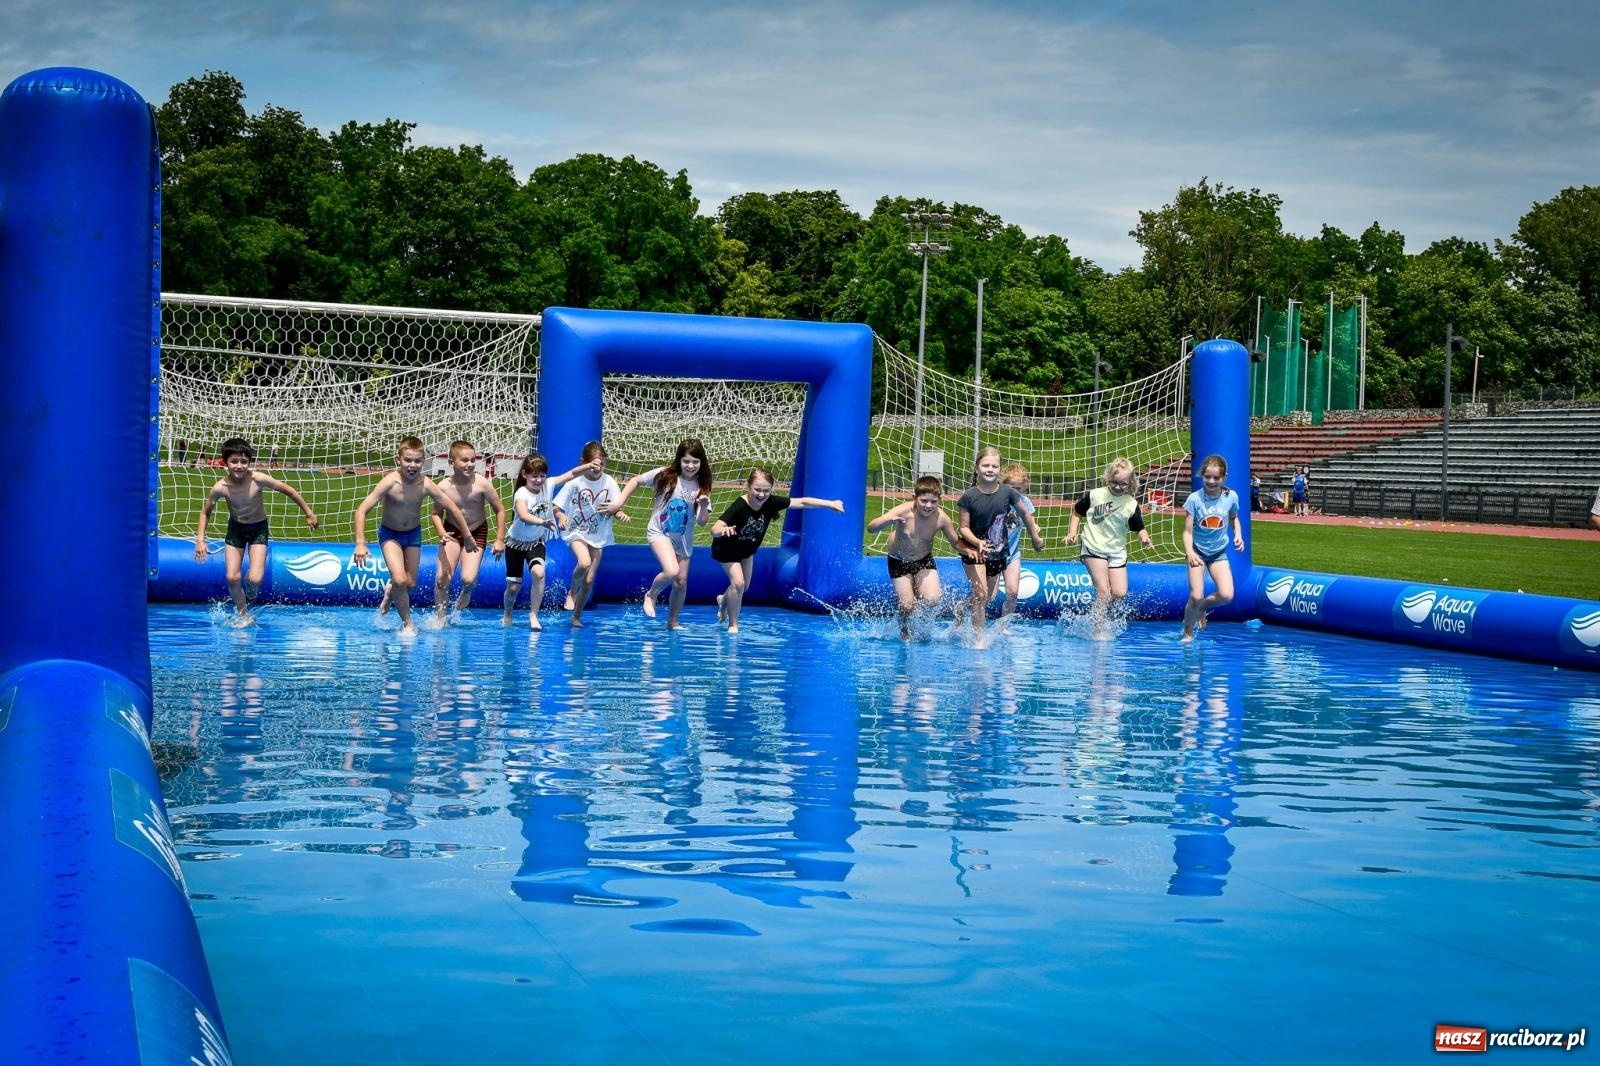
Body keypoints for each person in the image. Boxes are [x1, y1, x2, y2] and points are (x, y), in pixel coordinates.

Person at [353, 436, 478, 635]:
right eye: (408, 460)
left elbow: (452, 507)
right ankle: (408, 624)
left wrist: (467, 535)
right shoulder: (390, 482)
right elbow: (362, 510)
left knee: (409, 584)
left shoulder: (425, 483)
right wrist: (360, 543)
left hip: (412, 535)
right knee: (400, 580)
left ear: (423, 462)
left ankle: (389, 593)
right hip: (390, 535)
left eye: (417, 461)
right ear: (398, 459)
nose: (412, 465)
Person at [194, 437, 319, 626]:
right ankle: (244, 615)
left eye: (244, 461)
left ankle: (251, 588)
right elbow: (205, 512)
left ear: (250, 462)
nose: (239, 466)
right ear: (225, 462)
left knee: (255, 579)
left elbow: (290, 491)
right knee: (232, 577)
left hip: (258, 529)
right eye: (234, 461)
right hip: (236, 529)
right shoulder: (220, 488)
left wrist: (308, 512)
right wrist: (200, 540)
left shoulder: (258, 479)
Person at [710, 467, 845, 633]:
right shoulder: (740, 505)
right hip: (727, 549)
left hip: (747, 550)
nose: (761, 494)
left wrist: (830, 504)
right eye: (757, 489)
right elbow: (714, 529)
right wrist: (723, 530)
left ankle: (724, 599)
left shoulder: (771, 502)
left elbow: (802, 502)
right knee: (738, 583)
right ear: (748, 486)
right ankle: (733, 625)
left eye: (766, 491)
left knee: (743, 587)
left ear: (771, 489)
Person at [611, 438, 712, 630]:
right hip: (659, 532)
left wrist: (704, 506)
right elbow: (636, 480)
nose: (690, 466)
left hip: (683, 538)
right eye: (686, 461)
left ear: (701, 462)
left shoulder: (702, 485)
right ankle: (651, 594)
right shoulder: (665, 475)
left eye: (695, 462)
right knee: (672, 571)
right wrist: (619, 503)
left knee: (681, 582)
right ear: (679, 460)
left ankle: (672, 623)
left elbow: (701, 521)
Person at [868, 475, 972, 640]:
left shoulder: (941, 518)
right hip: (899, 560)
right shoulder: (903, 511)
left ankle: (915, 616)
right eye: (923, 501)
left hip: (923, 560)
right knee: (907, 605)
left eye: (933, 501)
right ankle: (904, 628)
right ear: (914, 497)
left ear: (939, 499)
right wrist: (887, 521)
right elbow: (871, 528)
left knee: (932, 599)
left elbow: (955, 542)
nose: (928, 505)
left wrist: (970, 551)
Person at [1064, 457, 1155, 638]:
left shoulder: (1130, 503)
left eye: (1123, 484)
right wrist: (1072, 532)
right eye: (1114, 482)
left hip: (1116, 550)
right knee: (1104, 591)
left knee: (1119, 593)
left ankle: (1097, 615)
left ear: (1130, 483)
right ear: (1108, 478)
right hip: (1093, 546)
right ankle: (1098, 630)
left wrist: (1145, 538)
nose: (1118, 487)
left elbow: (1139, 527)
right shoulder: (1096, 495)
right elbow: (1077, 512)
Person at [958, 447, 1044, 633]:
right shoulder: (972, 496)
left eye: (994, 466)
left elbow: (1027, 517)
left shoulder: (1015, 498)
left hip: (1006, 553)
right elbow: (964, 526)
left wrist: (1035, 535)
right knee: (984, 596)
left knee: (1007, 593)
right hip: (981, 551)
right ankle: (978, 635)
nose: (990, 469)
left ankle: (1004, 626)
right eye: (985, 465)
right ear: (976, 468)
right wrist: (976, 542)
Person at [501, 453, 591, 630]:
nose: (539, 480)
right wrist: (542, 522)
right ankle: (508, 612)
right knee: (512, 588)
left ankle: (534, 615)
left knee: (539, 573)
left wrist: (588, 467)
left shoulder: (548, 485)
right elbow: (524, 515)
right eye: (534, 476)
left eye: (542, 476)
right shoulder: (521, 493)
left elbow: (571, 474)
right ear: (525, 474)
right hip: (515, 543)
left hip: (536, 541)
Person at [553, 440, 629, 627]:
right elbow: (556, 507)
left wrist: (619, 514)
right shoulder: (575, 483)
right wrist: (561, 516)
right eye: (593, 464)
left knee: (588, 580)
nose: (597, 468)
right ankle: (572, 591)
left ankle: (576, 617)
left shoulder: (609, 482)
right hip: (575, 531)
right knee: (584, 562)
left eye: (601, 464)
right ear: (583, 462)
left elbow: (615, 506)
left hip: (598, 534)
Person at [429, 440, 506, 621]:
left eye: (473, 460)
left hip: (477, 531)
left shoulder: (482, 484)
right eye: (464, 460)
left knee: (468, 580)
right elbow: (435, 514)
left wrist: (499, 539)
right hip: (452, 532)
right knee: (442, 578)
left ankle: (467, 591)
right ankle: (440, 619)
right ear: (451, 462)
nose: (470, 464)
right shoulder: (443, 487)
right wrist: (441, 532)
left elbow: (500, 510)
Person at [1181, 454, 1245, 642]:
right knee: (1195, 595)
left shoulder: (1231, 496)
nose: (1211, 481)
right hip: (1197, 552)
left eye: (1216, 477)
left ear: (1224, 478)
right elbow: (1187, 531)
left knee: (1226, 595)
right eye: (1207, 476)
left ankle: (1202, 607)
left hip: (1218, 553)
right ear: (1202, 475)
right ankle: (1188, 633)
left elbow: (1233, 519)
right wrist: (1190, 553)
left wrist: (1238, 535)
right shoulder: (1194, 499)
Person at [989, 463, 1042, 620]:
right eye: (1011, 487)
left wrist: (1034, 528)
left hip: (1012, 554)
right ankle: (965, 609)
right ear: (1003, 484)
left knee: (1013, 592)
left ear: (1024, 488)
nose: (1015, 491)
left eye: (1018, 488)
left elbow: (1029, 520)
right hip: (993, 553)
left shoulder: (1024, 502)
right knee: (989, 596)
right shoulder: (996, 501)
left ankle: (1004, 625)